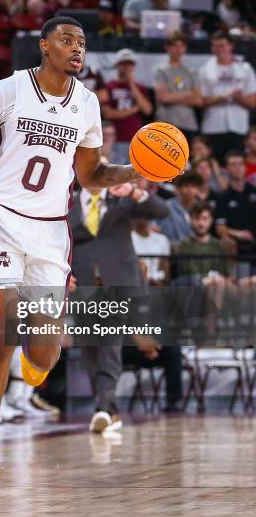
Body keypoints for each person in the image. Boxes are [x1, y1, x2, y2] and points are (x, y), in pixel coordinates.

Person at [0, 16, 144, 480]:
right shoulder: (8, 91)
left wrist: (133, 172)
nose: (77, 48)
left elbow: (91, 176)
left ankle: (35, 367)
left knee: (45, 352)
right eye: (66, 40)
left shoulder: (87, 105)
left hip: (52, 234)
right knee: (1, 329)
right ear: (43, 46)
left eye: (82, 43)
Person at [70, 179, 169, 432]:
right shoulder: (66, 202)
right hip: (83, 286)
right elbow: (56, 241)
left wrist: (134, 191)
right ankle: (109, 410)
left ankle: (103, 407)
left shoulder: (122, 200)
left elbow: (162, 211)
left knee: (110, 345)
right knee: (90, 349)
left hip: (118, 285)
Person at [199, 31, 256, 164]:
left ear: (231, 46)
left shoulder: (245, 69)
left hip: (239, 127)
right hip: (213, 126)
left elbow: (253, 102)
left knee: (237, 165)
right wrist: (222, 98)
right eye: (216, 46)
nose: (219, 49)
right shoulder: (204, 70)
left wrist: (238, 98)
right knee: (214, 165)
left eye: (223, 45)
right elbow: (200, 101)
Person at [101, 48, 152, 164]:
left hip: (136, 139)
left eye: (130, 64)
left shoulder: (140, 87)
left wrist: (132, 84)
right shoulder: (109, 86)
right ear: (117, 65)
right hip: (114, 139)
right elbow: (108, 113)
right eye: (124, 63)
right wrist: (135, 109)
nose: (127, 67)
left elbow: (147, 110)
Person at [153, 31, 201, 142]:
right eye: (175, 46)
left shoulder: (191, 72)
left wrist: (172, 96)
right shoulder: (160, 70)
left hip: (188, 125)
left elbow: (198, 100)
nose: (178, 50)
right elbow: (163, 98)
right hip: (166, 124)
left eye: (181, 46)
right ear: (167, 48)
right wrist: (187, 94)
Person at [215, 150, 256, 257]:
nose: (238, 167)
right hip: (236, 249)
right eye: (233, 164)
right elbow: (220, 228)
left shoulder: (254, 192)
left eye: (240, 164)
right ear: (227, 169)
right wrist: (239, 233)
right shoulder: (223, 197)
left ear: (245, 167)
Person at [157, 171, 203, 241]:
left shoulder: (203, 208)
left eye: (193, 186)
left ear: (199, 189)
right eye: (186, 185)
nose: (189, 190)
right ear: (179, 188)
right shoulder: (167, 205)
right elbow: (155, 226)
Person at [132, 212, 171, 285]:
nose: (142, 217)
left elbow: (166, 274)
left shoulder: (162, 240)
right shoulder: (126, 240)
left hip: (157, 287)